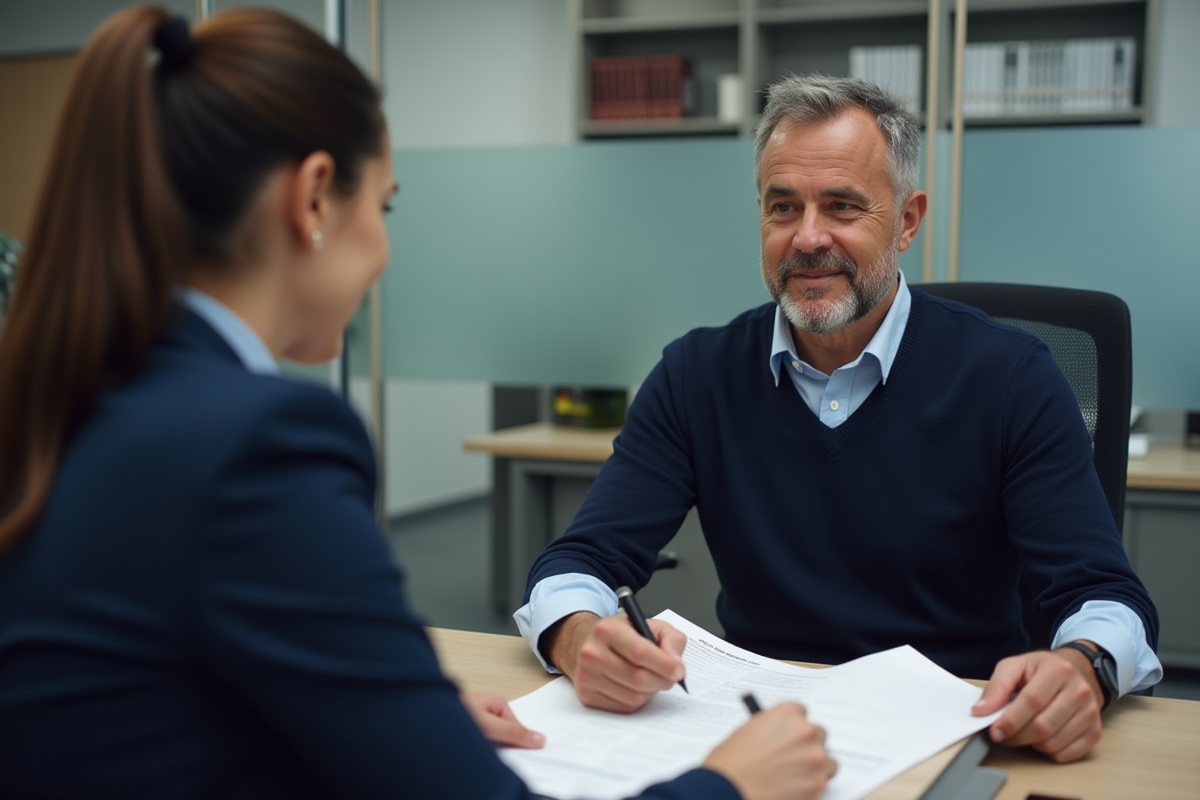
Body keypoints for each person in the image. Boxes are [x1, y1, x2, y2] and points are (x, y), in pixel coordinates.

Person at [0, 8, 838, 800]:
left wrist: (386, 721)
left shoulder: (63, 395)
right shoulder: (260, 443)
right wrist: (732, 784)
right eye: (385, 205)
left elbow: (147, 697)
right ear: (314, 198)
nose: (386, 252)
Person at [516, 74, 1162, 765]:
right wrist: (579, 636)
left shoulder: (1012, 377)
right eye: (783, 207)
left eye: (842, 206)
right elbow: (579, 562)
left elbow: (1105, 596)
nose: (807, 237)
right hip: (759, 736)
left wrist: (1084, 667)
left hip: (957, 734)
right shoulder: (694, 374)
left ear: (907, 220)